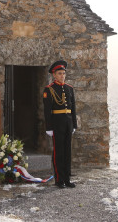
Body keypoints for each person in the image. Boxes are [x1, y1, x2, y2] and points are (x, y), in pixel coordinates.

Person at [43, 60, 77, 188]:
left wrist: (74, 124)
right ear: (54, 75)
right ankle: (59, 179)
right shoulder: (49, 89)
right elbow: (47, 111)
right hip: (57, 123)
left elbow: (73, 108)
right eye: (60, 73)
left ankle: (67, 178)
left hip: (68, 123)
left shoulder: (69, 88)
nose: (62, 76)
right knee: (59, 152)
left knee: (67, 151)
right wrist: (49, 127)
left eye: (63, 73)